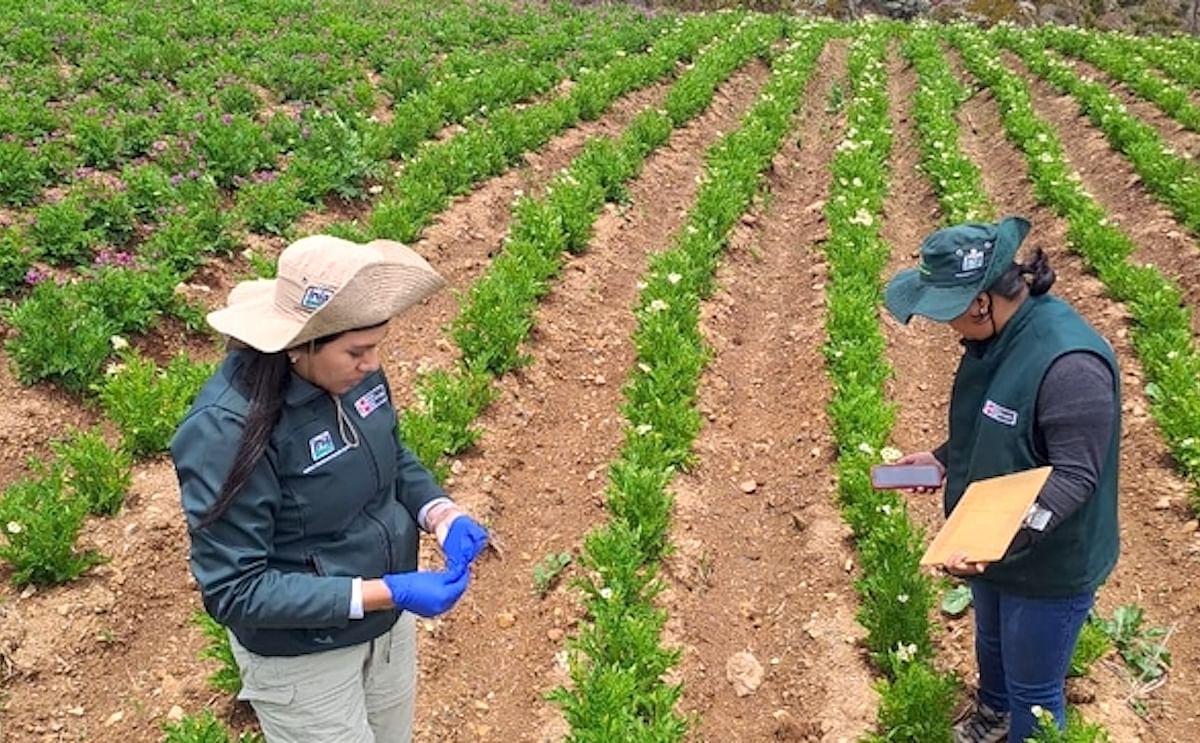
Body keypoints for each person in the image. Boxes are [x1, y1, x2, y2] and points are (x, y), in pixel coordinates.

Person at [171, 234, 489, 743]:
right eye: (358, 351)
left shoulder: (350, 377)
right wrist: (390, 591)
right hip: (304, 657)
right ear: (299, 345)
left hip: (383, 626)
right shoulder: (228, 430)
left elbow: (390, 454)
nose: (373, 365)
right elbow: (236, 590)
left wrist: (439, 512)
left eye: (378, 346)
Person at [884, 216, 1121, 743]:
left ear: (981, 302)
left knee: (1035, 693)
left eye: (949, 314)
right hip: (991, 537)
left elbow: (1076, 475)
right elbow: (999, 422)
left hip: (1049, 558)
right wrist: (943, 458)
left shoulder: (1069, 364)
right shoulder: (996, 338)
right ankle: (992, 714)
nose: (947, 328)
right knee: (992, 647)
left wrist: (1005, 537)